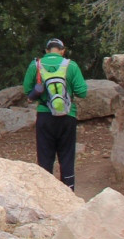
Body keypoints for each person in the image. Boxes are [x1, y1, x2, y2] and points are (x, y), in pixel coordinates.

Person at [23, 37, 89, 190]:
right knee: (67, 157)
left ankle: (47, 195)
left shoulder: (36, 65)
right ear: (62, 51)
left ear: (47, 51)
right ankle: (69, 193)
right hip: (68, 116)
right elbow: (82, 92)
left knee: (45, 158)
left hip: (45, 115)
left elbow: (27, 90)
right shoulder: (71, 66)